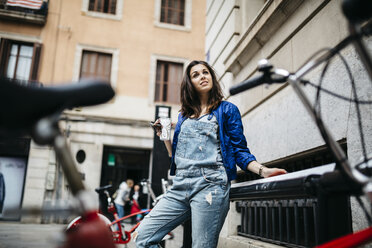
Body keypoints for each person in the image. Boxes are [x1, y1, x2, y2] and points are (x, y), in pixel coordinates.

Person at [135, 60, 286, 247]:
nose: (202, 76)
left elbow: (239, 151)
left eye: (205, 72)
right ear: (190, 83)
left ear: (212, 77)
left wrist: (263, 171)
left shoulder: (227, 110)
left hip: (210, 186)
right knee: (143, 237)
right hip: (180, 184)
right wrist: (164, 135)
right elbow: (176, 156)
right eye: (195, 75)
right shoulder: (184, 115)